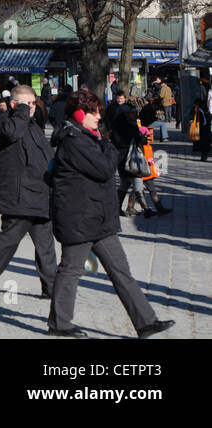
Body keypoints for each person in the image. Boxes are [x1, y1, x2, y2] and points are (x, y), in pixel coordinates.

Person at [46, 90, 174, 339]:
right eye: (93, 112)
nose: (98, 116)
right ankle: (59, 324)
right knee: (71, 270)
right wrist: (108, 143)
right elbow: (105, 169)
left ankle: (146, 322)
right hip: (80, 219)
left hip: (98, 218)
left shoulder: (87, 137)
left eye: (99, 111)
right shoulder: (75, 141)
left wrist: (103, 141)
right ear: (79, 114)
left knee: (121, 271)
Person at [0, 85, 56, 299]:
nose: (31, 108)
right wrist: (21, 112)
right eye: (26, 104)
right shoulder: (3, 121)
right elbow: (11, 133)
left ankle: (51, 287)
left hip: (39, 194)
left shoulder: (32, 124)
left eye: (33, 104)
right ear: (13, 105)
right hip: (18, 196)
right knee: (8, 240)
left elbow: (44, 156)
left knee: (45, 245)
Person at [110, 105, 170, 217]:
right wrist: (137, 138)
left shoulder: (121, 125)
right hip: (130, 160)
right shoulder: (125, 126)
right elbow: (131, 140)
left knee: (124, 185)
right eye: (131, 112)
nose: (134, 114)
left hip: (126, 159)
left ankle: (117, 208)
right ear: (125, 114)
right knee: (137, 184)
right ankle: (146, 210)